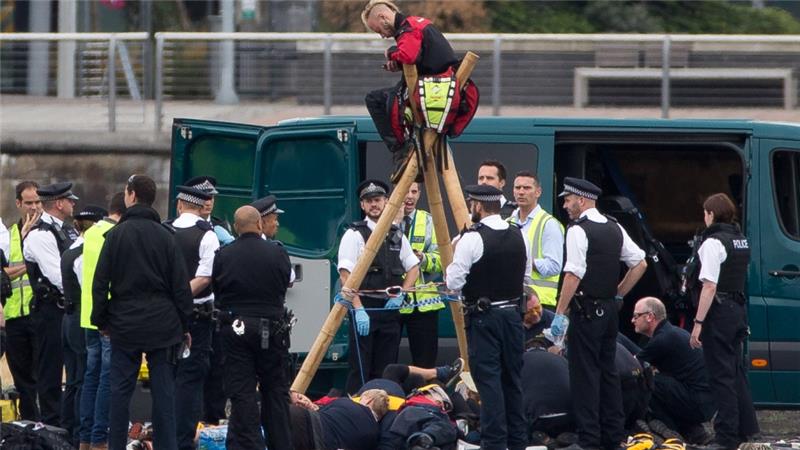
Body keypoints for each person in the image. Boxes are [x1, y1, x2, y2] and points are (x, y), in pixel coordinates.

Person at [92, 174, 193, 450]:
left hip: (124, 323)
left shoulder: (114, 236)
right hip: (164, 324)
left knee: (119, 393)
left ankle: (116, 445)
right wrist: (185, 325)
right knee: (164, 395)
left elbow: (100, 284)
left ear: (132, 195)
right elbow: (180, 286)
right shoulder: (167, 237)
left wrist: (101, 320)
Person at [551, 177, 647, 450]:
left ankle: (589, 438)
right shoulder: (614, 227)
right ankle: (613, 435)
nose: (566, 205)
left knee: (585, 376)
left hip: (586, 312)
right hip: (608, 313)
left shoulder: (578, 229)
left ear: (581, 200)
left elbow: (573, 274)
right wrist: (618, 293)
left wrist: (560, 313)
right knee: (608, 373)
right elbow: (639, 263)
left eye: (568, 200)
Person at [445, 184, 530, 450]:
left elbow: (453, 281)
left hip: (485, 318)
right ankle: (518, 440)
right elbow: (525, 275)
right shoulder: (519, 234)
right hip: (513, 316)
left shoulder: (472, 238)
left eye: (472, 204)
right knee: (512, 380)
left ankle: (493, 442)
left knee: (489, 381)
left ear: (478, 206)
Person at [212, 205, 294, 450]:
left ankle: (251, 445)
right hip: (273, 329)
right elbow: (285, 284)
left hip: (236, 330)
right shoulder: (277, 253)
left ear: (236, 228)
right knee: (276, 393)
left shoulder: (224, 255)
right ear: (259, 224)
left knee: (242, 393)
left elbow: (218, 290)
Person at [689, 193, 759, 450]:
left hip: (718, 313)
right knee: (735, 373)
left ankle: (726, 436)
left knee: (721, 377)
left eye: (705, 213)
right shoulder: (740, 240)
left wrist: (698, 322)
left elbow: (709, 286)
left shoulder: (712, 243)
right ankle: (746, 429)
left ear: (711, 214)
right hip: (737, 310)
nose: (704, 217)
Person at [338, 179, 420, 394]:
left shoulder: (396, 235)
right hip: (365, 309)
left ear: (385, 202)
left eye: (377, 200)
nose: (374, 204)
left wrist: (401, 292)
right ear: (363, 206)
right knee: (361, 369)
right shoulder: (354, 234)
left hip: (390, 311)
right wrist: (358, 309)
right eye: (369, 201)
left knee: (387, 369)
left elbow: (413, 268)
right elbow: (346, 275)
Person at [362, 0, 458, 177]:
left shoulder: (408, 28)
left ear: (383, 17)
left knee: (374, 100)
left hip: (433, 88)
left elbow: (408, 55)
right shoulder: (415, 24)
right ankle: (407, 150)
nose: (382, 36)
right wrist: (397, 65)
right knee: (382, 97)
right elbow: (421, 58)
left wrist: (391, 52)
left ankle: (400, 149)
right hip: (436, 84)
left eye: (378, 30)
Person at [23, 181, 80, 426]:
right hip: (49, 310)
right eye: (69, 200)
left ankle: (67, 424)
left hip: (67, 309)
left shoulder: (68, 230)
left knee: (73, 368)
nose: (73, 204)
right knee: (50, 371)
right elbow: (59, 275)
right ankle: (50, 424)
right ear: (58, 203)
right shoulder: (40, 235)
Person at [170, 185, 220, 450]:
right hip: (196, 315)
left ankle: (166, 436)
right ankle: (183, 440)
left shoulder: (166, 230)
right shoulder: (206, 234)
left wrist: (170, 297)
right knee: (191, 377)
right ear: (200, 207)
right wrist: (181, 296)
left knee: (167, 374)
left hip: (166, 314)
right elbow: (205, 277)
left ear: (179, 205)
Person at [632, 297, 715, 443]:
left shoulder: (662, 339)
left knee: (648, 381)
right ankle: (693, 431)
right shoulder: (672, 332)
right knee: (661, 382)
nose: (632, 320)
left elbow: (632, 364)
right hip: (706, 401)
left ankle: (670, 430)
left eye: (636, 316)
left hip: (698, 402)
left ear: (650, 316)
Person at [183, 175, 231, 424]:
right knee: (190, 369)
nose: (209, 202)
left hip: (217, 305)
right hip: (190, 306)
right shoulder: (178, 227)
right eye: (204, 197)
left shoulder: (221, 227)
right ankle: (194, 419)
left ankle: (213, 416)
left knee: (217, 365)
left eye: (211, 197)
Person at [79, 192, 126, 450]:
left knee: (91, 378)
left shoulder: (92, 232)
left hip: (89, 316)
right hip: (109, 318)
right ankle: (100, 440)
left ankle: (85, 438)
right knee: (108, 380)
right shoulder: (116, 234)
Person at [60, 205, 105, 447]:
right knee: (83, 379)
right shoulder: (83, 254)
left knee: (75, 379)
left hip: (69, 318)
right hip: (80, 320)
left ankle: (68, 431)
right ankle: (77, 434)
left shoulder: (71, 251)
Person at [3, 180, 42, 420]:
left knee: (43, 376)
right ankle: (29, 425)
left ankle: (45, 426)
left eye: (38, 202)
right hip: (13, 318)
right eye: (29, 203)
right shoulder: (9, 236)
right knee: (22, 380)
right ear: (18, 204)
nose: (34, 207)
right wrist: (28, 265)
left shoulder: (49, 232)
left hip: (38, 314)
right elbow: (1, 272)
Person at [397, 182, 443, 368]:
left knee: (425, 362)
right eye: (406, 191)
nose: (409, 196)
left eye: (414, 191)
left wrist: (423, 258)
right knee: (388, 356)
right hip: (395, 301)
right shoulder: (385, 220)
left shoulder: (429, 220)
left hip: (424, 304)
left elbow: (442, 260)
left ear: (419, 194)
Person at [509, 171, 564, 310]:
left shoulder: (549, 224)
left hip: (540, 303)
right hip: (511, 300)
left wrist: (525, 262)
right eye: (517, 188)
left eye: (527, 188)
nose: (521, 192)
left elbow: (554, 266)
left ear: (538, 192)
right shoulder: (508, 222)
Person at [290, 389, 389, 450]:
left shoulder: (345, 402)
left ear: (368, 400)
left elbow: (320, 412)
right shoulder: (375, 435)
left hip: (307, 425)